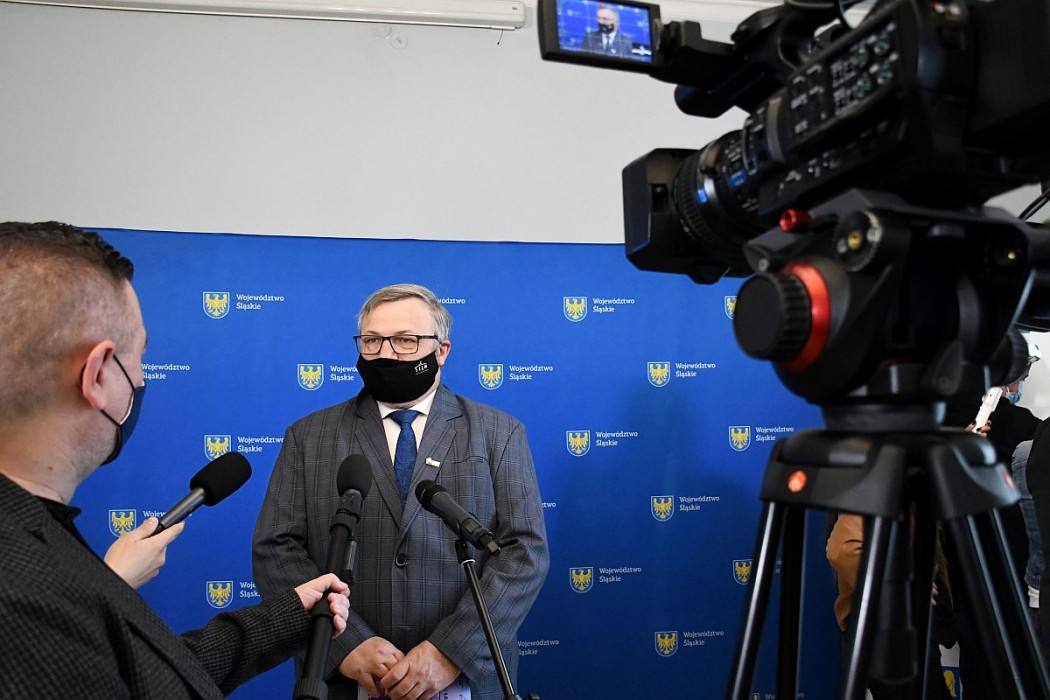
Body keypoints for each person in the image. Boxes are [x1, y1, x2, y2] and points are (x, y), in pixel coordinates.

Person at [0, 221, 350, 698]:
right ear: (98, 375)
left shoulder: (39, 550)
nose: (142, 378)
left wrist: (286, 617)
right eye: (139, 357)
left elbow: (141, 675)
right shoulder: (26, 601)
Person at [253, 283, 550, 700]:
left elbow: (524, 553)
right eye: (372, 341)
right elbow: (276, 551)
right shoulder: (308, 437)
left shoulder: (499, 433)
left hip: (467, 679)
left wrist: (450, 652)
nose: (386, 354)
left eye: (406, 341)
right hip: (343, 681)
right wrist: (347, 644)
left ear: (441, 351)